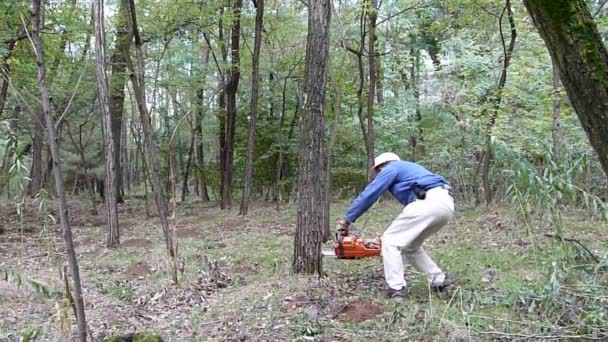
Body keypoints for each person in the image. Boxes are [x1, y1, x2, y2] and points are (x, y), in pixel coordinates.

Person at [338, 152, 455, 299]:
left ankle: (396, 288)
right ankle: (439, 280)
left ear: (382, 166)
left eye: (378, 171)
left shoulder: (392, 167)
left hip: (429, 203)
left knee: (390, 240)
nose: (378, 174)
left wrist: (347, 219)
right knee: (410, 246)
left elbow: (370, 193)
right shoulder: (410, 169)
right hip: (445, 205)